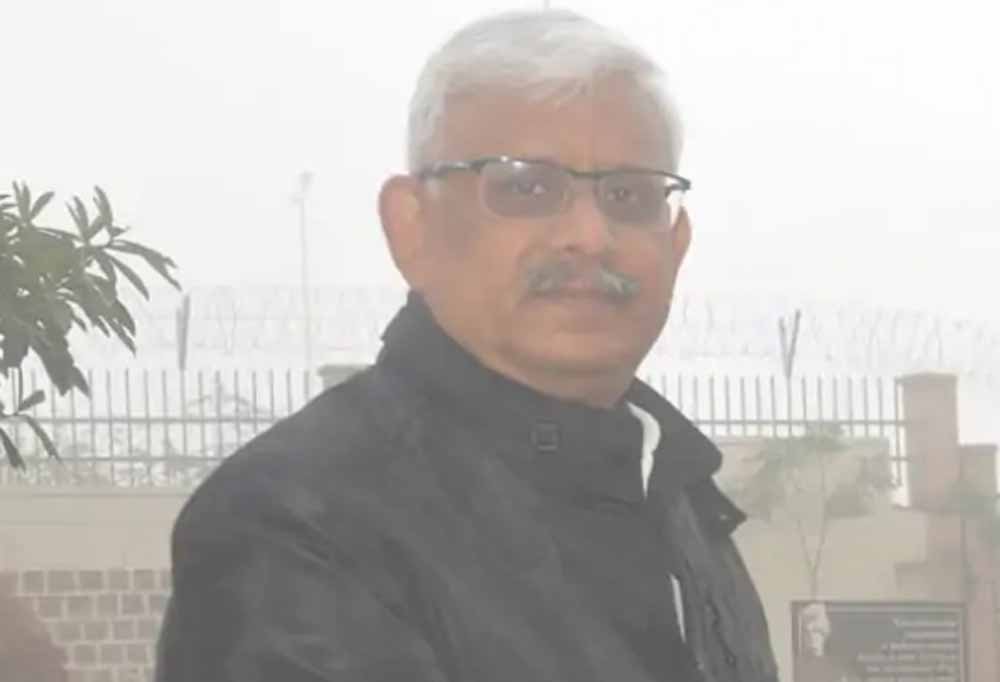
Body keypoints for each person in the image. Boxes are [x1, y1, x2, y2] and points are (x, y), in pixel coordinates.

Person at [156, 9, 779, 682]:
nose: (589, 235)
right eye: (527, 187)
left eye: (628, 195)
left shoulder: (674, 495)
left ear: (676, 243)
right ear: (411, 226)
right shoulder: (300, 523)